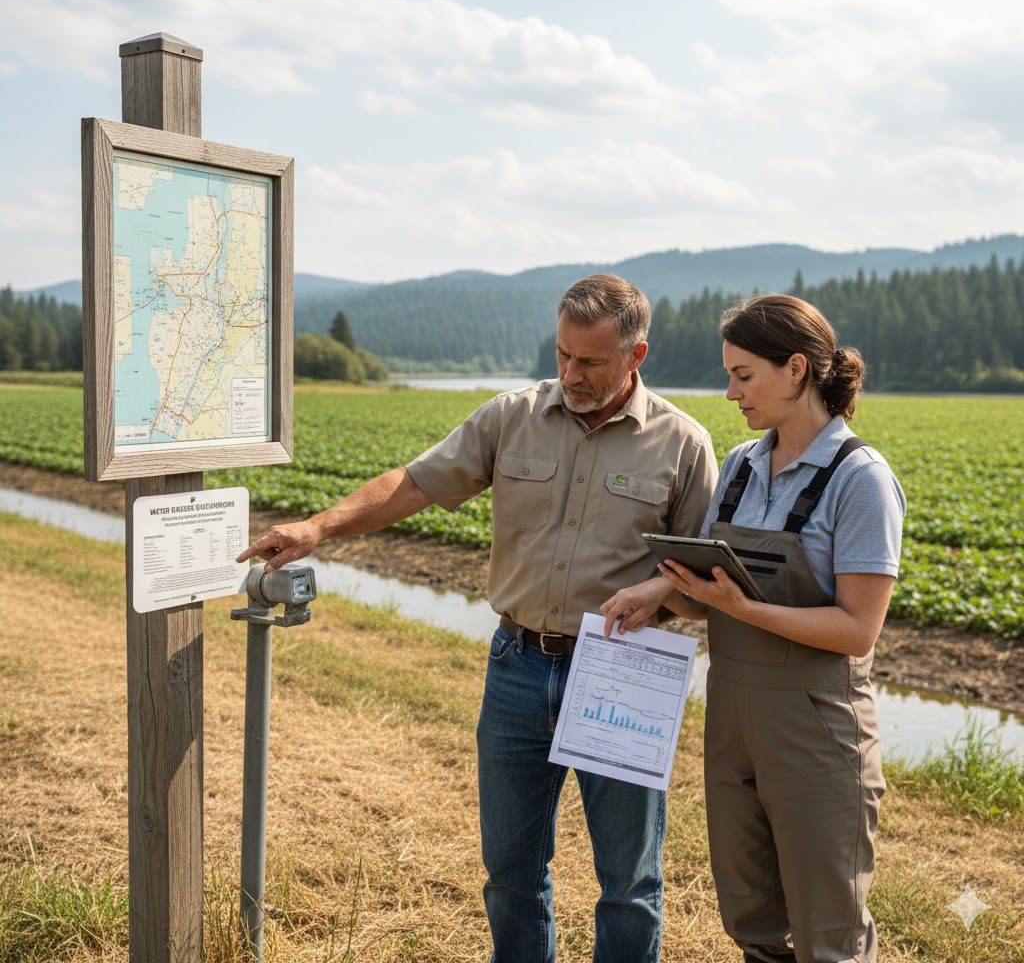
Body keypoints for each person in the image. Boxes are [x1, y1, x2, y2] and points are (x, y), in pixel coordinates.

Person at [237, 274, 719, 963]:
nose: (570, 373)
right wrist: (321, 527)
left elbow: (703, 582)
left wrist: (661, 595)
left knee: (629, 879)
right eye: (562, 355)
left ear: (635, 356)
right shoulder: (510, 416)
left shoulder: (683, 443)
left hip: (622, 669)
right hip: (517, 667)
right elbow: (414, 483)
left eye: (591, 361)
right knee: (512, 873)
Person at [601, 294, 906, 963]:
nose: (730, 391)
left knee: (829, 933)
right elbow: (712, 592)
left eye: (743, 375)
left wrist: (747, 611)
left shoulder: (861, 480)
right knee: (753, 922)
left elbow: (858, 630)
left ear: (796, 369)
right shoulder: (739, 464)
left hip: (817, 730)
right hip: (733, 719)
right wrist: (657, 592)